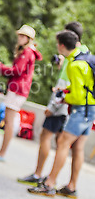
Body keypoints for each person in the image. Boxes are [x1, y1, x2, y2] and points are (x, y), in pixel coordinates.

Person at [18, 21, 88, 185]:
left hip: (65, 104)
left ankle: (42, 176)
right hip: (82, 108)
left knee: (47, 136)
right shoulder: (85, 53)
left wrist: (53, 106)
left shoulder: (73, 58)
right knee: (74, 146)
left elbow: (65, 85)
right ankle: (71, 185)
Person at [28, 30, 95, 198]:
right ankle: (71, 187)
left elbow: (78, 96)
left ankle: (49, 183)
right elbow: (84, 88)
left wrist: (64, 97)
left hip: (81, 110)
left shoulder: (74, 65)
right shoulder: (85, 58)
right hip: (90, 109)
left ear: (62, 45)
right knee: (78, 147)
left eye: (58, 43)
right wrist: (67, 91)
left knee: (63, 143)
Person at [0, 24, 42, 161]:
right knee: (9, 120)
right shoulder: (28, 52)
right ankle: (1, 152)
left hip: (17, 90)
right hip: (18, 89)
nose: (20, 38)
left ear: (29, 39)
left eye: (23, 36)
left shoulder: (27, 52)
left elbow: (16, 71)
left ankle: (1, 153)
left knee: (9, 122)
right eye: (20, 35)